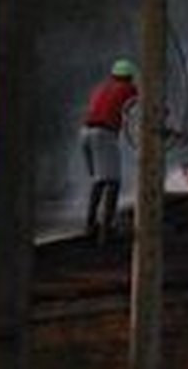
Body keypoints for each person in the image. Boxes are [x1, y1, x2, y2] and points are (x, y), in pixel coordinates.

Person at [80, 58, 138, 243]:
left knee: (99, 181)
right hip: (104, 134)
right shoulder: (129, 89)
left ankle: (90, 225)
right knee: (113, 182)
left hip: (85, 133)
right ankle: (106, 230)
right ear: (129, 76)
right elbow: (141, 111)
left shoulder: (101, 88)